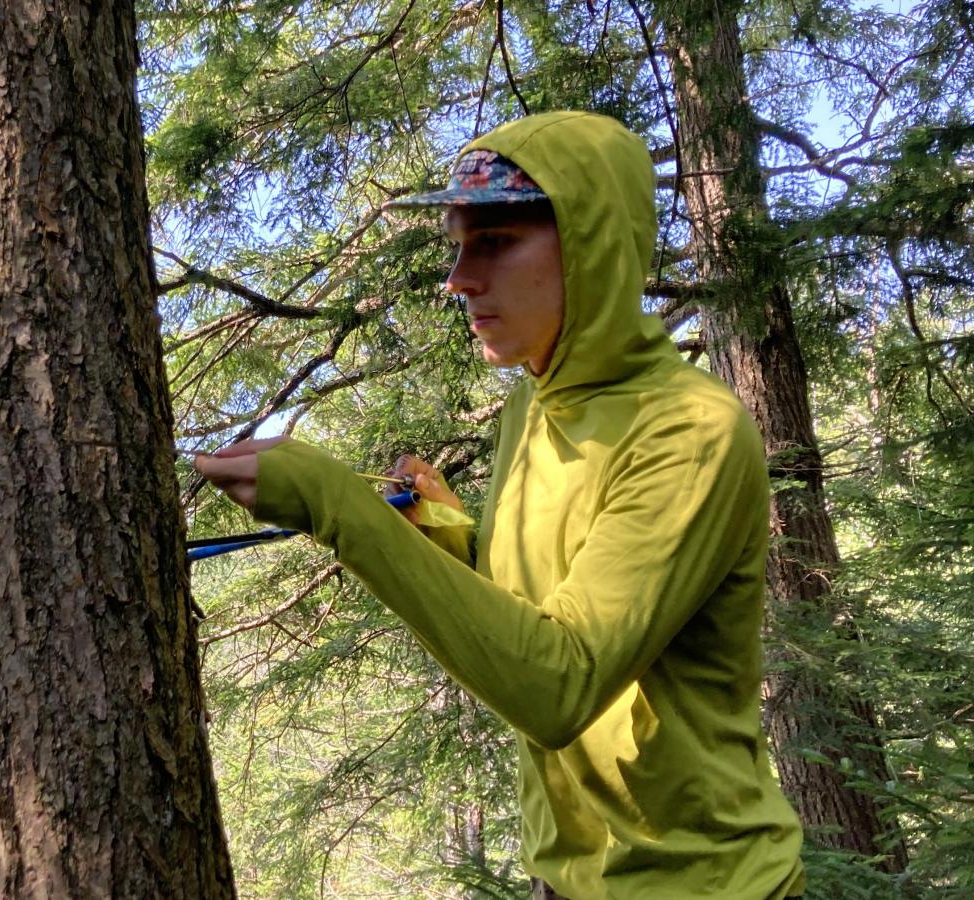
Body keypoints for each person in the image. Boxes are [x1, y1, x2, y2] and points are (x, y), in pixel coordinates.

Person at [194, 111, 806, 899]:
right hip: (569, 878)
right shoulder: (535, 401)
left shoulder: (690, 431)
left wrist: (337, 507)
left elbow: (562, 683)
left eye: (494, 242)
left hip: (707, 884)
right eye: (457, 245)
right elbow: (538, 608)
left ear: (592, 246)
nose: (458, 279)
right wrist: (449, 534)